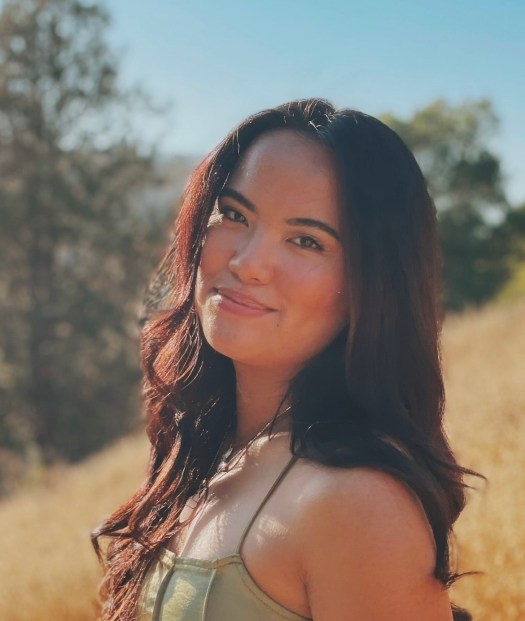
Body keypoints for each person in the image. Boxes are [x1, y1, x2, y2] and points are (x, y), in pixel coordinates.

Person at [92, 98, 476, 621]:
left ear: (373, 284)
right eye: (233, 214)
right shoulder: (210, 452)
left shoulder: (357, 503)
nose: (247, 263)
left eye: (305, 241)